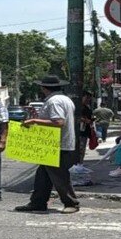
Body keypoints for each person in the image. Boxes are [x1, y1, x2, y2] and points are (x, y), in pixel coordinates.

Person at [14, 75, 80, 214]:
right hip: (55, 145)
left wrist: (34, 121)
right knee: (42, 176)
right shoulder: (65, 99)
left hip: (57, 145)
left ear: (44, 88)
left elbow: (58, 122)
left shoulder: (54, 101)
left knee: (60, 176)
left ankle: (71, 203)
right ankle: (38, 202)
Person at [75, 91, 94, 164]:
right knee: (80, 148)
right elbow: (77, 117)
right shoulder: (78, 107)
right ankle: (79, 163)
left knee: (82, 148)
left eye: (89, 99)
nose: (88, 100)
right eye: (87, 98)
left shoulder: (87, 107)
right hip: (80, 131)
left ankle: (80, 163)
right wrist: (85, 120)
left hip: (85, 130)